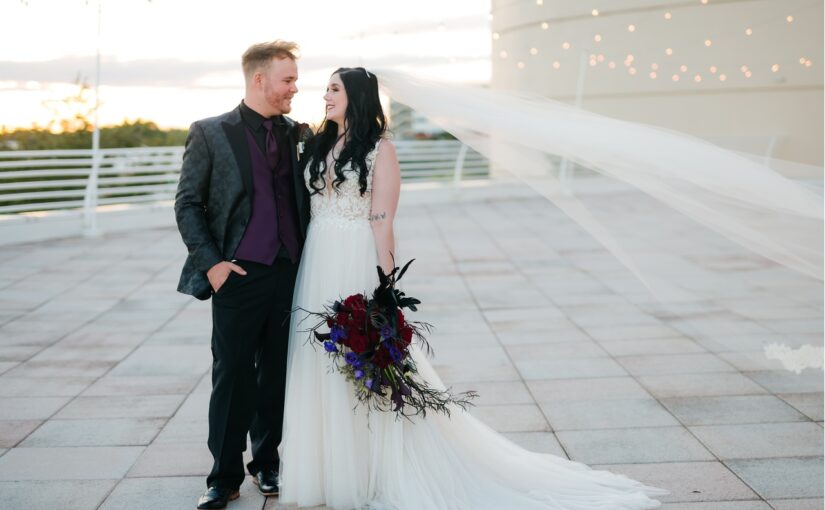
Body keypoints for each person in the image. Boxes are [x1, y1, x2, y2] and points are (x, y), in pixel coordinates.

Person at [278, 67, 667, 509]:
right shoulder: (316, 143)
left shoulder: (380, 151)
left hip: (354, 261)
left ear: (358, 97)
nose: (325, 95)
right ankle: (329, 470)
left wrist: (385, 289)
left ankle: (371, 469)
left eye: (335, 89)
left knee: (364, 364)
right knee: (319, 363)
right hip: (319, 259)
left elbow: (382, 221)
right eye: (326, 88)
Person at [174, 40, 310, 509]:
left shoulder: (300, 133)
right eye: (288, 79)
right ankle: (224, 475)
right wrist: (212, 264)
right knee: (232, 374)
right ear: (260, 80)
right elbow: (188, 203)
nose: (295, 87)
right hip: (236, 272)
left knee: (276, 370)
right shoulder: (211, 132)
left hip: (290, 271)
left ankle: (267, 463)